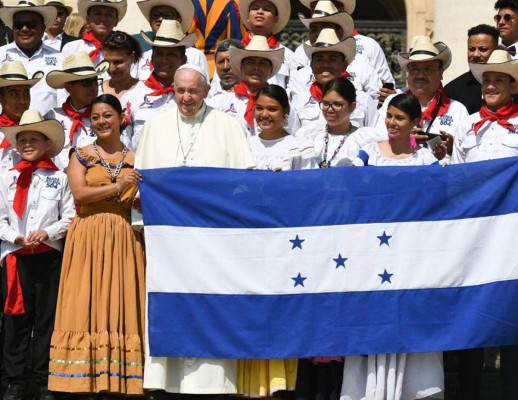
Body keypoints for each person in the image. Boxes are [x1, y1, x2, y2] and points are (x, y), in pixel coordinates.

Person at [135, 64, 254, 396]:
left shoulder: (228, 126)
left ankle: (213, 381)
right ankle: (164, 379)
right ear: (172, 90)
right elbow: (143, 183)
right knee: (169, 304)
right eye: (180, 91)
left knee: (211, 303)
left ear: (205, 91)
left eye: (193, 91)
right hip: (169, 242)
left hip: (213, 240)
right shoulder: (155, 127)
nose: (186, 98)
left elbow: (242, 184)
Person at [342, 95, 441, 400]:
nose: (392, 123)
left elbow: (439, 203)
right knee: (373, 320)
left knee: (410, 320)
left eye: (400, 118)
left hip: (411, 258)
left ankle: (414, 390)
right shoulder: (367, 154)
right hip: (372, 257)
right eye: (389, 116)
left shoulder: (426, 161)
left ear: (415, 124)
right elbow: (349, 191)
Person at [48, 94, 145, 396]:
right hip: (88, 234)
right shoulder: (81, 154)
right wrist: (119, 186)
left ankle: (120, 380)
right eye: (96, 117)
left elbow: (143, 198)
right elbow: (79, 193)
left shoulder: (137, 158)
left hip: (124, 235)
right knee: (85, 300)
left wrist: (136, 195)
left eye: (107, 115)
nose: (102, 121)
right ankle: (80, 379)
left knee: (121, 298)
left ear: (121, 118)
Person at [451, 49, 518, 400]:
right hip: (475, 240)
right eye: (487, 79)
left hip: (513, 241)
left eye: (499, 79)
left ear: (512, 84)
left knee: (513, 316)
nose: (491, 85)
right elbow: (459, 179)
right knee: (474, 315)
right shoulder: (467, 125)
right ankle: (469, 391)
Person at [0, 110, 75, 400]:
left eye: (34, 139)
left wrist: (48, 232)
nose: (28, 144)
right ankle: (15, 380)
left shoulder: (59, 177)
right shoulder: (6, 178)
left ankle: (44, 379)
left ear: (46, 144)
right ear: (17, 145)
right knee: (16, 320)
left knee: (46, 320)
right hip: (16, 258)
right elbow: (2, 219)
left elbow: (69, 217)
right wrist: (14, 237)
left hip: (48, 258)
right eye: (23, 140)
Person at [378, 35, 469, 162]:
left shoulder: (457, 110)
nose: (420, 75)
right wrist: (407, 140)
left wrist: (452, 148)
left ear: (441, 72)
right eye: (414, 70)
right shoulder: (393, 101)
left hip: (440, 175)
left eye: (428, 69)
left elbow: (467, 155)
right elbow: (378, 139)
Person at [290, 0, 383, 101]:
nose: (318, 34)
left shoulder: (363, 69)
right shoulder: (300, 76)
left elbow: (378, 105)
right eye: (313, 29)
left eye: (326, 27)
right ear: (312, 64)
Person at [290, 28, 377, 131]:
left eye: (332, 59)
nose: (325, 64)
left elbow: (373, 138)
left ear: (344, 65)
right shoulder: (299, 100)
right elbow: (294, 138)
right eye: (319, 59)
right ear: (312, 66)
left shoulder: (363, 100)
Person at [129, 19, 193, 149]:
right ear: (151, 58)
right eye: (159, 54)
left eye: (171, 54)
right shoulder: (134, 95)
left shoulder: (194, 97)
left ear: (183, 60)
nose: (164, 60)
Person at [295, 77, 385, 168]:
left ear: (352, 106)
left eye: (337, 104)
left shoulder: (365, 139)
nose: (329, 110)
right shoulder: (309, 135)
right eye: (325, 104)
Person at [208, 34, 284, 137]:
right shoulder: (219, 102)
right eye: (250, 62)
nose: (256, 67)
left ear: (270, 69)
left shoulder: (280, 102)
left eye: (263, 63)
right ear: (241, 67)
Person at [45, 51, 109, 170]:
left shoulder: (104, 117)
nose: (94, 87)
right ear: (69, 87)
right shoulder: (52, 117)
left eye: (95, 81)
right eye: (86, 82)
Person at [0, 1, 61, 115]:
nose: (24, 29)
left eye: (31, 24)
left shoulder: (59, 57)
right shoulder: (0, 54)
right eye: (19, 25)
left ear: (43, 27)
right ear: (12, 28)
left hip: (48, 128)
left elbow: (64, 96)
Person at [248, 84, 316, 171]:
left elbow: (305, 181)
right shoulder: (247, 145)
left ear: (286, 110)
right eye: (259, 108)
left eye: (272, 109)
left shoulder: (297, 148)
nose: (264, 114)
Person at [135, 0, 208, 81]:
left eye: (167, 15)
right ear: (149, 20)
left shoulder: (196, 56)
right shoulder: (141, 58)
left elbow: (204, 89)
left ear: (179, 20)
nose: (160, 18)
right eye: (155, 15)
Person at [237, 0, 295, 89]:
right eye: (255, 8)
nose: (259, 12)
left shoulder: (288, 56)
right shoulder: (232, 52)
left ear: (276, 18)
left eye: (267, 9)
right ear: (248, 16)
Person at [444, 24, 499, 114]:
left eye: (483, 49)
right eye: (471, 49)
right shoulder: (453, 90)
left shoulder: (511, 86)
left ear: (497, 50)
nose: (476, 54)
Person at [101, 30, 142, 148]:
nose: (112, 68)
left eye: (118, 62)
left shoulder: (146, 93)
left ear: (132, 58)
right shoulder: (94, 91)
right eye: (107, 62)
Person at [0, 61, 43, 173]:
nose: (23, 100)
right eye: (14, 94)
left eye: (26, 93)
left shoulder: (41, 131)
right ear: (1, 98)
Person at [187, 0, 245, 78]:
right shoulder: (229, 4)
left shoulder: (185, 4)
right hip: (217, 69)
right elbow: (235, 43)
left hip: (188, 65)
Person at [61, 0, 127, 66]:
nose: (103, 18)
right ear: (88, 19)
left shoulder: (125, 49)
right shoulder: (72, 48)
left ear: (116, 21)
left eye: (109, 14)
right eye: (97, 13)